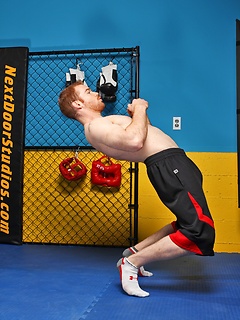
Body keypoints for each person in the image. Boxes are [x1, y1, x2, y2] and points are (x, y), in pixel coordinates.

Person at [58, 81, 215, 298]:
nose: (96, 93)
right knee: (200, 231)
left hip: (173, 164)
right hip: (169, 166)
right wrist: (140, 108)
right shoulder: (95, 127)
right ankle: (131, 263)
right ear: (77, 104)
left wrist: (137, 115)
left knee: (186, 223)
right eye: (88, 92)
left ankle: (134, 252)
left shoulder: (103, 123)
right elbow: (134, 141)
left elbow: (145, 132)